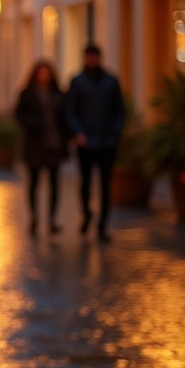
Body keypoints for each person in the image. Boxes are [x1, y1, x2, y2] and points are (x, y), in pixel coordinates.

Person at [66, 43, 126, 241]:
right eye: (89, 56)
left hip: (107, 142)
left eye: (94, 56)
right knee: (85, 183)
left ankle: (102, 225)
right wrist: (78, 133)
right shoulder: (77, 82)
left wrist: (115, 133)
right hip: (85, 143)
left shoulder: (111, 81)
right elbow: (71, 110)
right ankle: (87, 214)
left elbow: (120, 109)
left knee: (106, 184)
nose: (92, 60)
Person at [15, 60, 71, 237]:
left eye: (46, 72)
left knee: (55, 183)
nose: (44, 76)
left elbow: (65, 117)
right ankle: (34, 217)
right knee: (34, 182)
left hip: (53, 144)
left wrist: (67, 136)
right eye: (41, 72)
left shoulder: (58, 94)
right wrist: (33, 124)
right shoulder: (27, 93)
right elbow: (18, 114)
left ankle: (52, 220)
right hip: (34, 144)